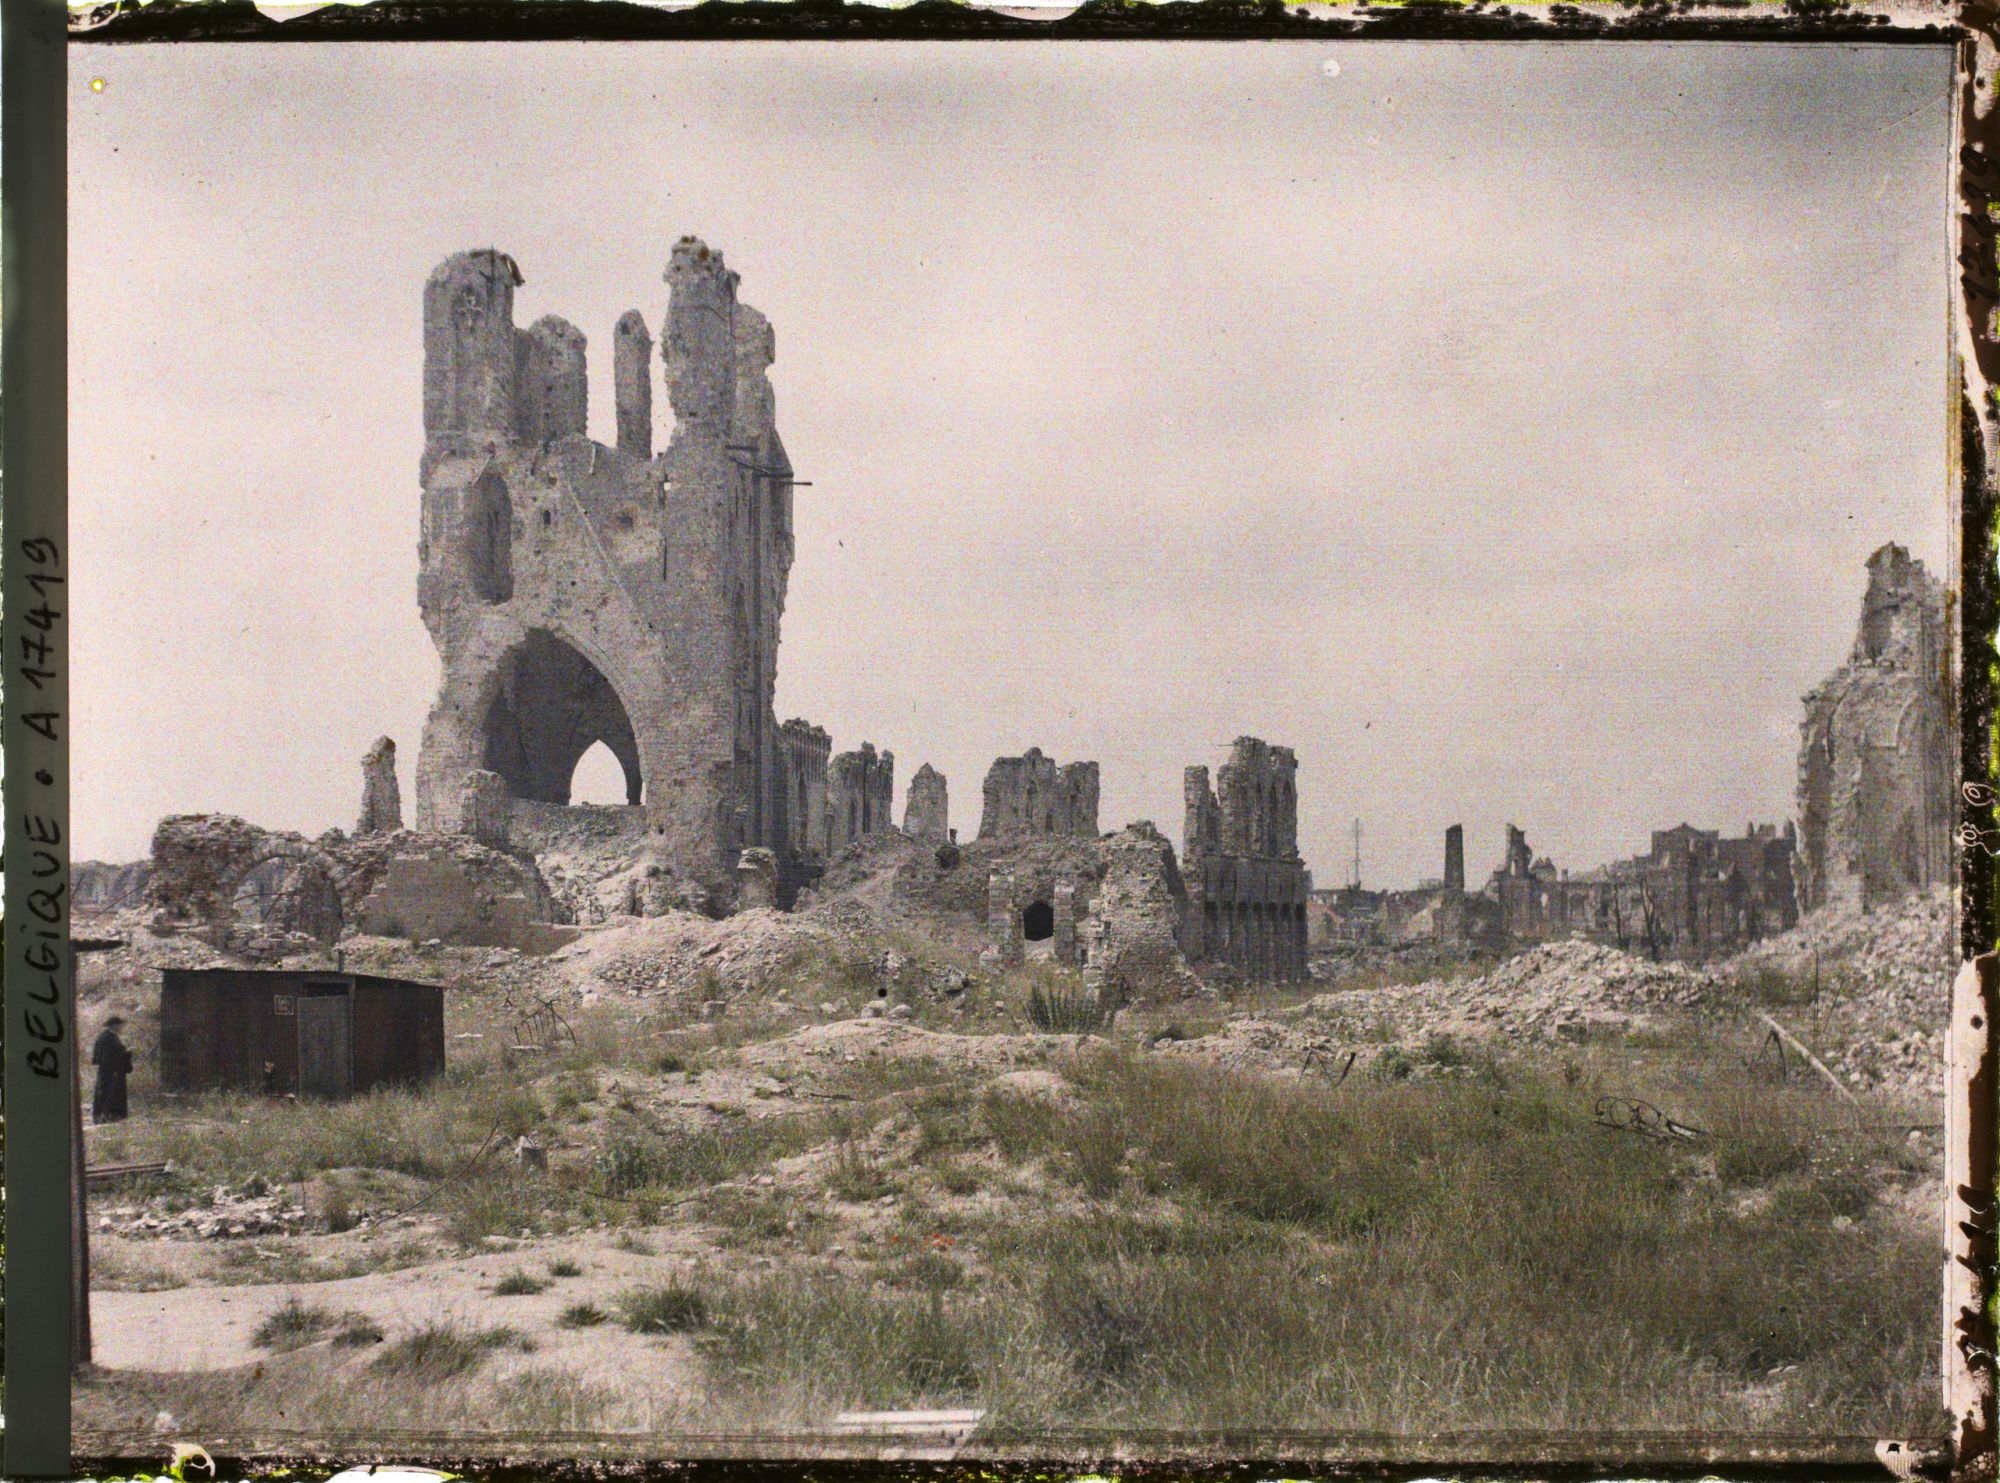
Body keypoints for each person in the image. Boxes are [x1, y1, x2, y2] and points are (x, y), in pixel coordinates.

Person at [91, 1015, 134, 1124]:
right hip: (111, 1071)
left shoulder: (108, 1036)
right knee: (110, 1092)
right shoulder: (107, 1038)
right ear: (114, 1026)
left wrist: (125, 1052)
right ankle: (108, 1116)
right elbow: (108, 1056)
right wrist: (126, 1053)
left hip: (110, 1070)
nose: (121, 1027)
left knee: (109, 1092)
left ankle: (108, 1115)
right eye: (120, 1025)